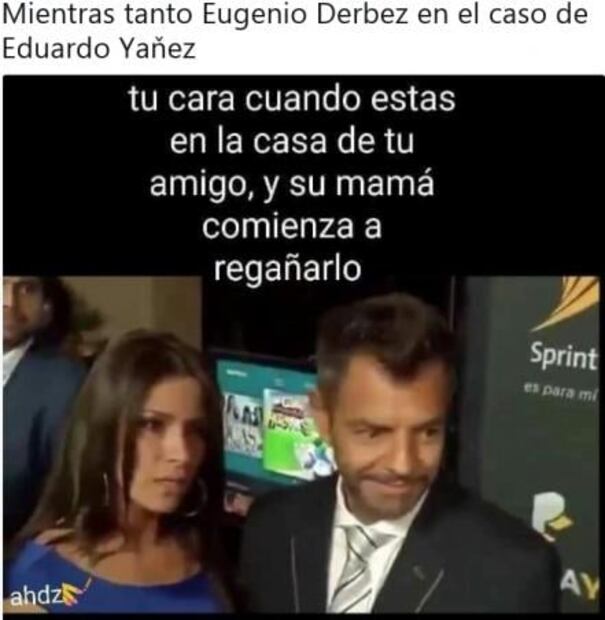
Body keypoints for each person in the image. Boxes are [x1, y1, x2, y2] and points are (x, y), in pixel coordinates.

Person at [239, 293, 561, 613]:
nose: (403, 464)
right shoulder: (270, 525)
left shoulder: (515, 572)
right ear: (322, 418)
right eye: (374, 433)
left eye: (428, 432)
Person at [4, 330, 236, 613]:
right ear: (104, 430)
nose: (182, 454)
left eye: (195, 430)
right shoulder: (42, 574)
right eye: (152, 425)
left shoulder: (211, 553)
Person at [4, 276, 86, 543]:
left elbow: (66, 498)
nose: (9, 302)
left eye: (27, 289)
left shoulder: (64, 382)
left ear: (47, 306)